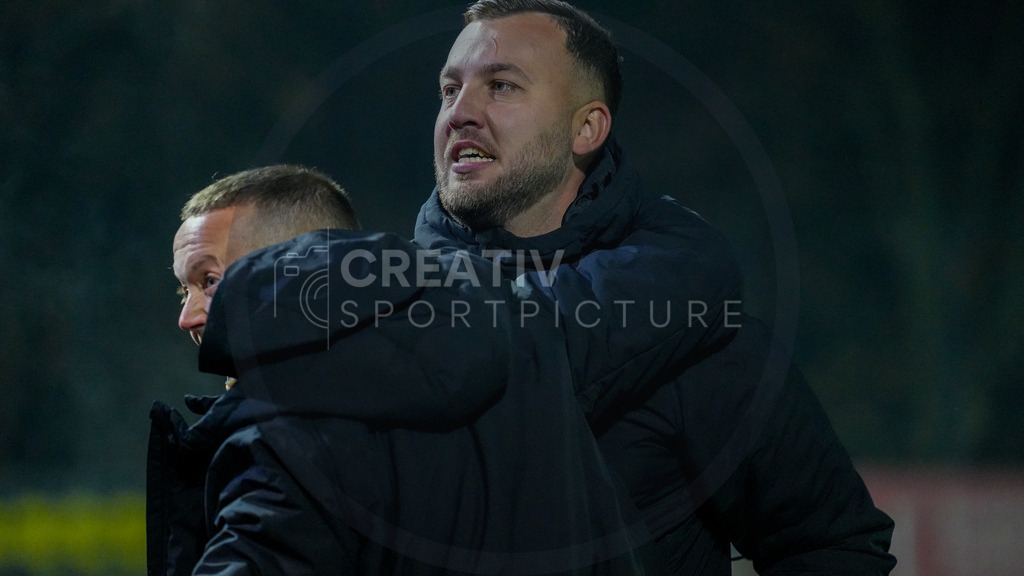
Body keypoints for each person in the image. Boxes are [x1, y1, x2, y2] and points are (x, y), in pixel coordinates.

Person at [411, 1, 897, 574]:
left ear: (587, 128)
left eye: (501, 86)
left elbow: (831, 547)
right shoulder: (390, 317)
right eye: (449, 90)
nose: (460, 112)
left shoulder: (693, 333)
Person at [149, 164, 659, 575]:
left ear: (292, 266)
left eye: (211, 280)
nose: (187, 317)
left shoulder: (284, 428)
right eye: (184, 289)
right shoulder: (533, 366)